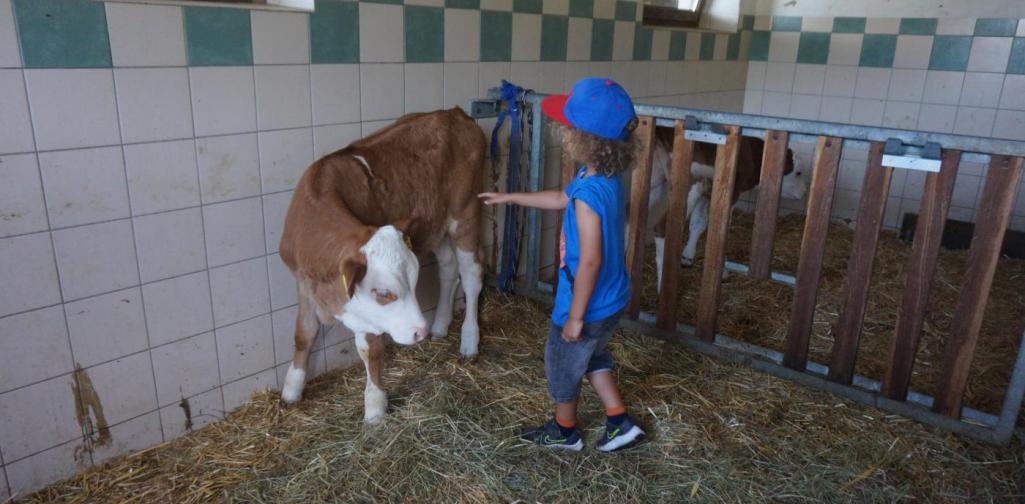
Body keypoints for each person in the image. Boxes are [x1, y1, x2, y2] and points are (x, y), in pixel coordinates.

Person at [478, 78, 645, 452]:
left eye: (568, 128)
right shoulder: (603, 175)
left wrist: (574, 317)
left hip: (587, 302)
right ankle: (619, 421)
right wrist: (510, 197)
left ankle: (564, 429)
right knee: (593, 355)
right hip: (613, 296)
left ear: (585, 139)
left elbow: (589, 260)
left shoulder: (588, 195)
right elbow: (558, 196)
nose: (563, 131)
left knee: (563, 363)